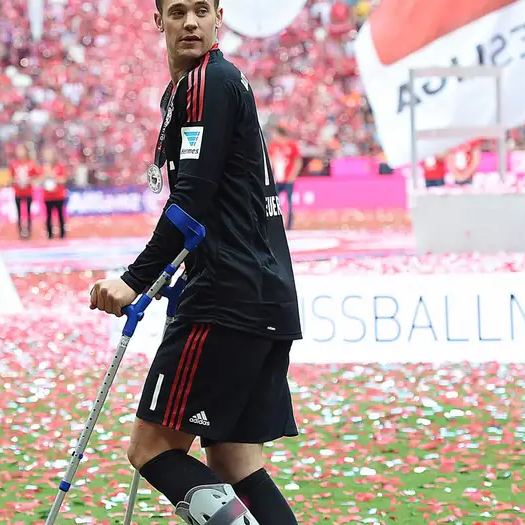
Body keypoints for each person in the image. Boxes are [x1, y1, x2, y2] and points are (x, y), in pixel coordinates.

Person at [87, 0, 301, 523]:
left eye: (201, 10)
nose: (189, 22)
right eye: (178, 10)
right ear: (158, 19)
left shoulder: (207, 82)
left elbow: (192, 199)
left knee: (150, 448)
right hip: (262, 297)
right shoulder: (203, 86)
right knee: (234, 462)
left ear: (218, 16)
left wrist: (135, 280)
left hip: (225, 299)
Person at [267, 126, 302, 229]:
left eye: (275, 135)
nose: (274, 137)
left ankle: (289, 226)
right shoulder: (273, 146)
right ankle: (277, 225)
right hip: (277, 180)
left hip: (288, 180)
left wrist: (293, 175)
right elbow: (270, 160)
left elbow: (298, 161)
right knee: (275, 203)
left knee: (290, 204)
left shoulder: (292, 145)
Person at [8, 144, 40, 239]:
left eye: (21, 150)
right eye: (18, 150)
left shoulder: (31, 163)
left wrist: (29, 180)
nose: (20, 152)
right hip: (18, 192)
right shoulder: (14, 164)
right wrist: (15, 181)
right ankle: (20, 231)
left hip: (28, 192)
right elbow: (11, 178)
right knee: (19, 213)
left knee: (28, 212)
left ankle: (29, 230)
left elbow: (37, 175)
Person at [39, 147, 69, 239]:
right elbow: (40, 181)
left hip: (59, 196)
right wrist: (45, 176)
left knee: (60, 215)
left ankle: (62, 234)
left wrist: (53, 176)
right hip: (47, 196)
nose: (47, 156)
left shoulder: (60, 166)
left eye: (49, 154)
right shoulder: (43, 168)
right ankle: (49, 234)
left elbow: (63, 180)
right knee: (48, 216)